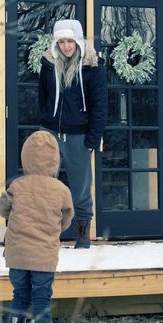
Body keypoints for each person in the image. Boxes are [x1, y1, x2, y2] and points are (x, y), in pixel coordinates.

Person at [0, 130, 74, 323]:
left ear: (26, 157)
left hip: (18, 255)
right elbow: (67, 217)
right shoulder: (61, 190)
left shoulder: (17, 186)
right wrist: (53, 232)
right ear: (55, 160)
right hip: (43, 255)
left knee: (19, 295)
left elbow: (3, 210)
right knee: (41, 298)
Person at [38, 18, 107, 249]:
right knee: (46, 186)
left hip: (79, 136)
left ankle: (82, 235)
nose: (66, 46)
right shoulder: (48, 64)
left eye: (70, 41)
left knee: (81, 187)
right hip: (50, 134)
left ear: (78, 41)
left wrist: (92, 139)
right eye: (62, 41)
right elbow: (43, 97)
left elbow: (100, 106)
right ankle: (47, 235)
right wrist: (45, 124)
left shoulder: (92, 67)